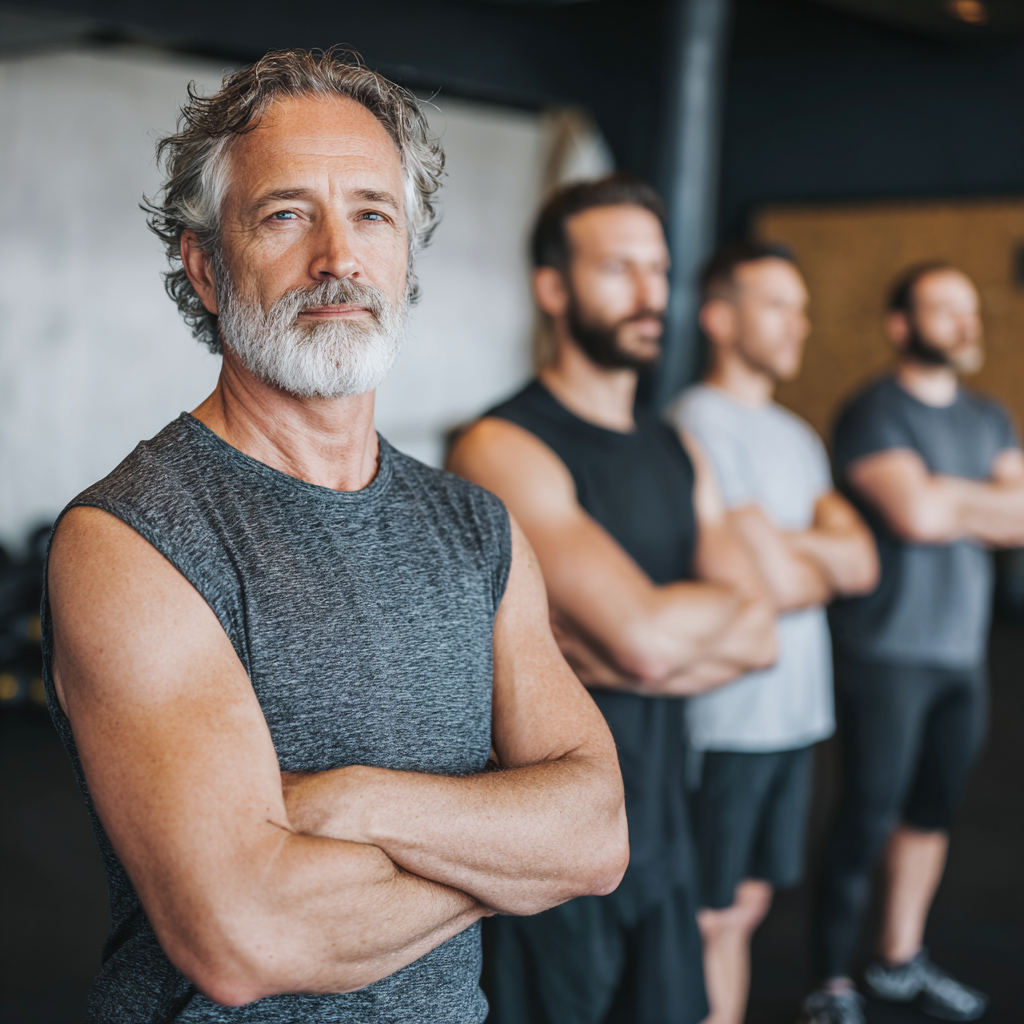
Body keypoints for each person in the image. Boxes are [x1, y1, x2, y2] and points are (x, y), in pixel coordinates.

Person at [42, 50, 630, 1024]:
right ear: (204, 267)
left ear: (404, 251)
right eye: (285, 215)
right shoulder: (133, 538)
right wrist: (517, 862)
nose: (339, 260)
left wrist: (347, 800)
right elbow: (245, 936)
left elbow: (597, 828)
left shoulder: (474, 529)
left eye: (371, 213)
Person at [447, 175, 778, 1024]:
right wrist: (668, 636)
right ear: (553, 288)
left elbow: (761, 628)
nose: (648, 295)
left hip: (661, 831)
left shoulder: (678, 449)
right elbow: (650, 641)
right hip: (551, 852)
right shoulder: (504, 445)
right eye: (618, 269)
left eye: (659, 271)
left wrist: (645, 643)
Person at [804, 263, 1024, 1024]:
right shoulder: (873, 411)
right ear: (903, 325)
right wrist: (973, 502)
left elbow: (1015, 516)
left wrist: (947, 494)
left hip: (961, 655)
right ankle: (828, 981)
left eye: (971, 310)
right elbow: (918, 519)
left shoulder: (991, 415)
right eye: (945, 310)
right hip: (887, 653)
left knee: (931, 813)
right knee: (867, 814)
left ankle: (898, 961)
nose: (968, 324)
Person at [668, 243, 879, 1024]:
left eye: (801, 304)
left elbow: (859, 564)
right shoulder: (696, 422)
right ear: (720, 318)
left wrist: (793, 549)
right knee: (707, 913)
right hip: (731, 723)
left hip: (794, 717)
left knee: (749, 905)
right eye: (778, 304)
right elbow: (778, 581)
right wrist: (808, 555)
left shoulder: (798, 437)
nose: (802, 322)